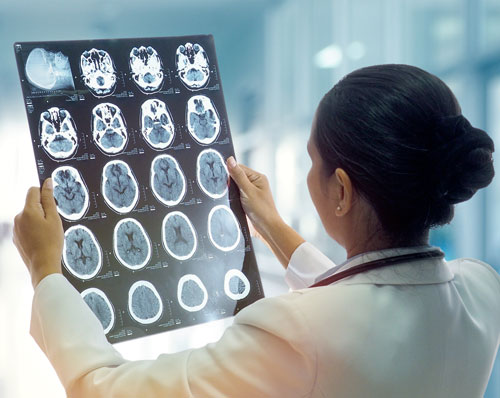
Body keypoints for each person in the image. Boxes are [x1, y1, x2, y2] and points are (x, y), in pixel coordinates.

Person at [13, 64, 500, 397]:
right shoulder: (482, 290)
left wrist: (45, 272)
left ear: (342, 191)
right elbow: (373, 307)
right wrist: (272, 227)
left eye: (313, 161)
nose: (309, 174)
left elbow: (105, 388)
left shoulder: (294, 331)